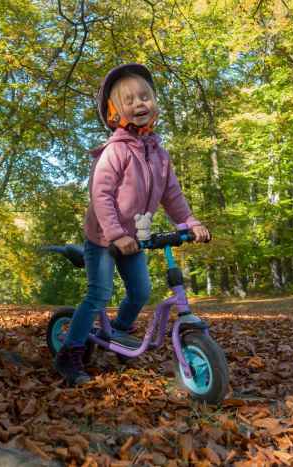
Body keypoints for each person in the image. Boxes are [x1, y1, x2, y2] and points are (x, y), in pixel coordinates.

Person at [54, 63, 210, 385]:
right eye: (130, 100)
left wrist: (190, 222)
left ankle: (120, 336)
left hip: (135, 238)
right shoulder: (115, 152)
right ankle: (70, 353)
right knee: (99, 293)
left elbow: (173, 196)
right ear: (114, 112)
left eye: (145, 97)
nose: (140, 104)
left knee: (140, 292)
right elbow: (101, 194)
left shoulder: (160, 155)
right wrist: (115, 234)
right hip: (103, 237)